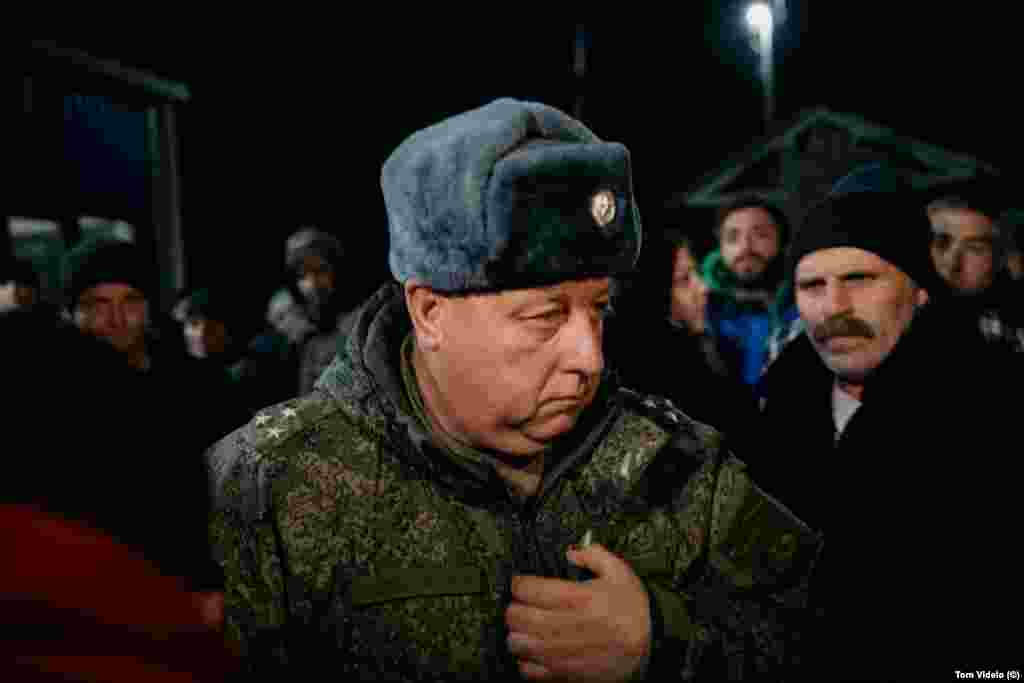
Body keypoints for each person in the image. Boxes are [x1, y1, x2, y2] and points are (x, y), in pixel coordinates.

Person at [207, 98, 822, 680]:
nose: (589, 356)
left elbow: (830, 634)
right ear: (429, 312)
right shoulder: (267, 488)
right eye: (544, 316)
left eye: (598, 309)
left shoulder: (673, 465)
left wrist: (662, 645)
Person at [757, 182, 1017, 676]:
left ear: (918, 292)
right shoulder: (778, 405)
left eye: (859, 278)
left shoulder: (993, 411)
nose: (833, 308)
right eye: (812, 286)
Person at [605, 227, 762, 460]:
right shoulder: (672, 375)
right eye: (684, 279)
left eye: (696, 273)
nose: (703, 288)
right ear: (655, 293)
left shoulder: (709, 351)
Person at [700, 194, 800, 392]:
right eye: (732, 237)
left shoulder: (805, 310)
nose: (745, 246)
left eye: (760, 234)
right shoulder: (700, 312)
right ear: (720, 248)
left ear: (783, 243)